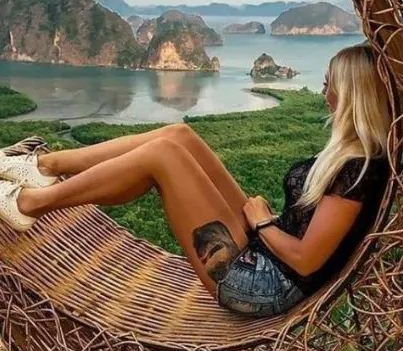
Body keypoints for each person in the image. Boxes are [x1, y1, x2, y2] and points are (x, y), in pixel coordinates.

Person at [0, 43, 391, 318]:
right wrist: (265, 225)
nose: (323, 92)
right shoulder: (356, 154)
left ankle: (26, 204)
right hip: (265, 250)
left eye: (330, 85)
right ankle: (44, 165)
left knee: (162, 157)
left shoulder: (359, 170)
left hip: (261, 284)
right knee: (179, 136)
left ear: (354, 96)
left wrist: (264, 223)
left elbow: (307, 261)